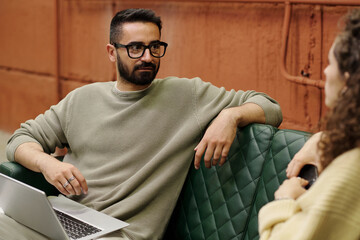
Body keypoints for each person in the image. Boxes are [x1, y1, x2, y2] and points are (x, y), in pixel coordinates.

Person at [4, 8, 282, 240]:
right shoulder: (81, 99)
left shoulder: (187, 96)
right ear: (112, 52)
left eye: (155, 47)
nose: (148, 57)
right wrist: (47, 164)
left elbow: (269, 106)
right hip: (65, 217)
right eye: (136, 48)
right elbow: (20, 140)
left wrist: (230, 116)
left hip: (121, 233)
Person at [258, 9, 360, 240]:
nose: (324, 71)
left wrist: (285, 200)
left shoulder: (350, 169)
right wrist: (322, 137)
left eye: (329, 63)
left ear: (348, 81)